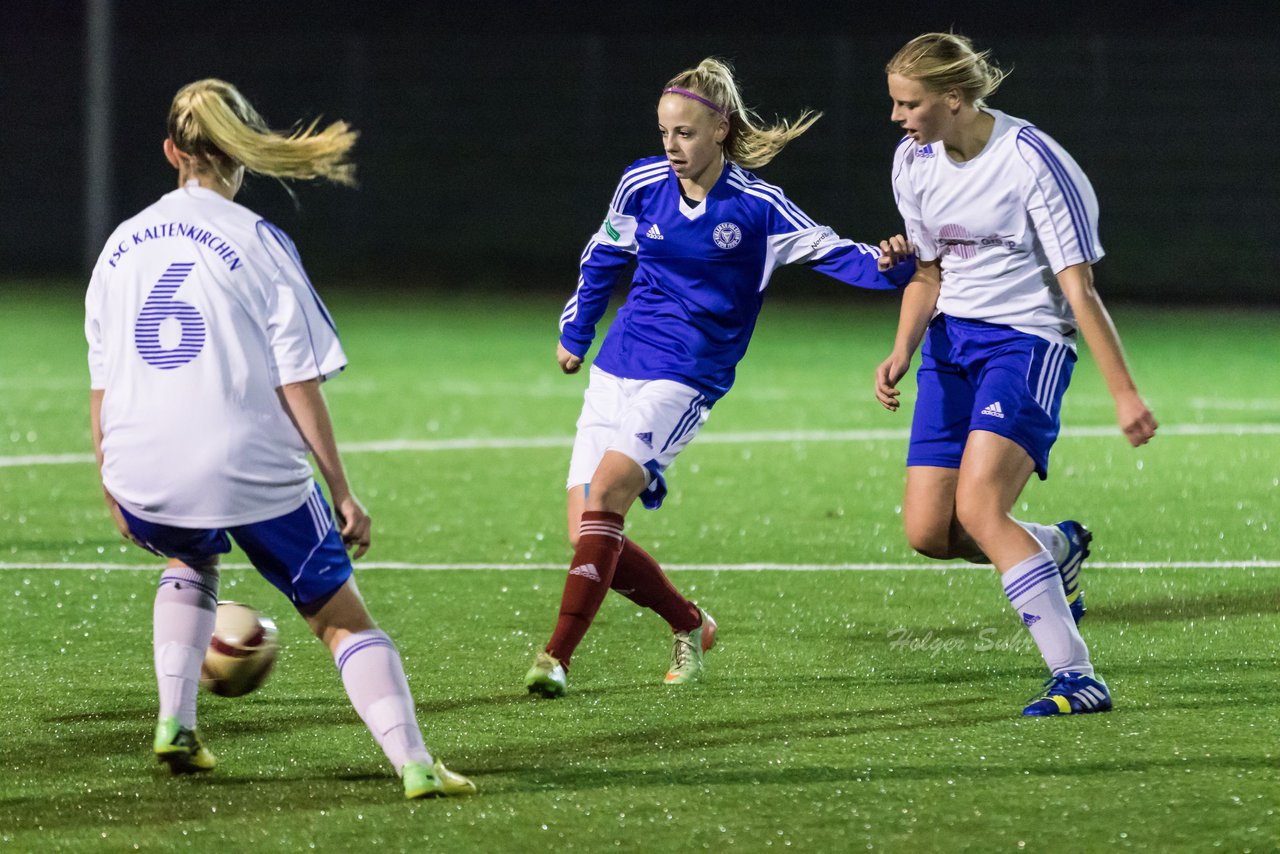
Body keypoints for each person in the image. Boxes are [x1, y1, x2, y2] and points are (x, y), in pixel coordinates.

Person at [85, 79, 475, 798]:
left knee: (190, 551)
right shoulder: (260, 240)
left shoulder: (118, 245)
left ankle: (176, 724)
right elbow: (299, 381)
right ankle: (415, 764)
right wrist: (342, 489)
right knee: (340, 619)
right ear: (243, 154)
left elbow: (103, 381)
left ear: (172, 152)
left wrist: (110, 478)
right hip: (244, 469)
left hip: (140, 472)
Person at [526, 57, 915, 698]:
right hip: (619, 363)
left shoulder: (759, 206)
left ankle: (555, 656)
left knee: (605, 499)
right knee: (588, 535)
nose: (671, 147)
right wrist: (576, 331)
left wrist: (892, 266)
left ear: (720, 131)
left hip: (688, 373)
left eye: (685, 133)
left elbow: (834, 252)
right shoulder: (640, 185)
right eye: (663, 132)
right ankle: (689, 623)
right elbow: (603, 255)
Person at [875, 33, 1158, 715]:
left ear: (954, 98)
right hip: (950, 347)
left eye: (909, 103)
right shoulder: (913, 161)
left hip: (1025, 344)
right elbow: (929, 272)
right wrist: (903, 350)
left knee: (979, 508)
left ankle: (1077, 676)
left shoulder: (1031, 161)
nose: (897, 117)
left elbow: (1079, 289)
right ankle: (1054, 547)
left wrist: (1124, 395)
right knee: (931, 532)